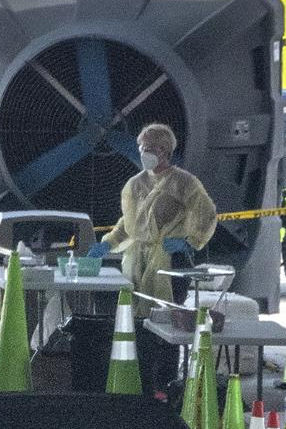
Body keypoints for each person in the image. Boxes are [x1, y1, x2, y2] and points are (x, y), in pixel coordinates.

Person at [91, 122, 218, 395]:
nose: (143, 153)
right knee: (137, 323)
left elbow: (206, 214)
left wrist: (189, 241)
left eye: (148, 148)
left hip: (170, 262)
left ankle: (165, 383)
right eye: (141, 148)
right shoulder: (135, 184)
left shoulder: (184, 183)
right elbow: (128, 223)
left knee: (168, 322)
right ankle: (141, 382)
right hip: (135, 262)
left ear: (164, 151)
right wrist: (107, 244)